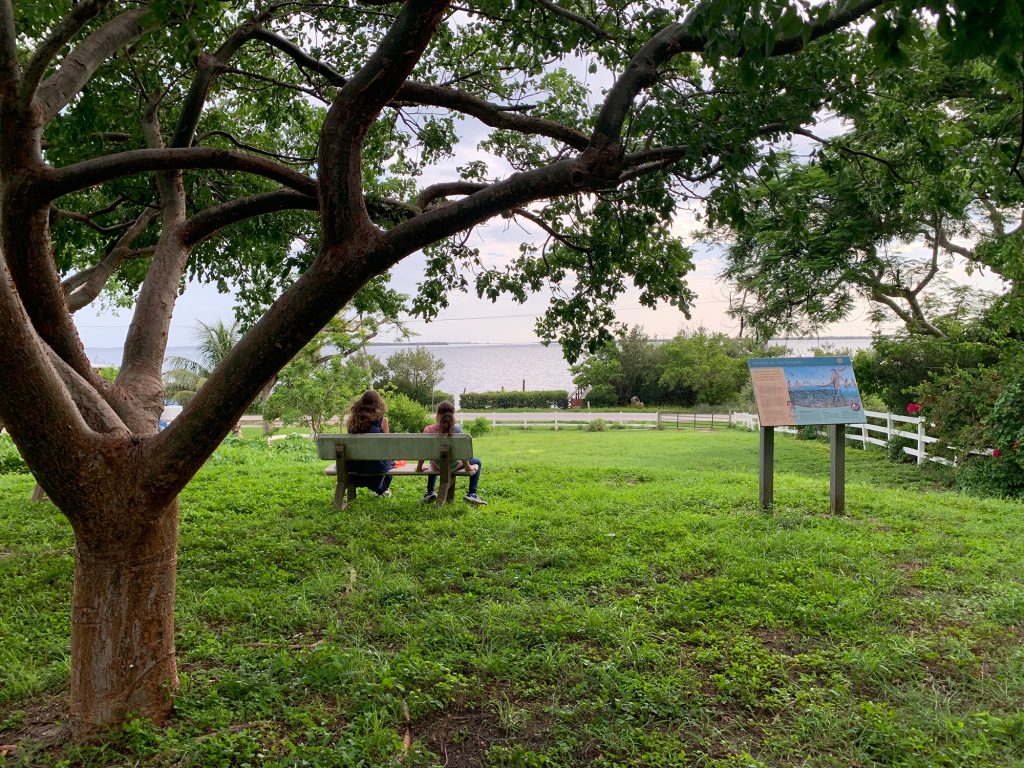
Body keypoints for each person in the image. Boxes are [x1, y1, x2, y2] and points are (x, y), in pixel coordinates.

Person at [416, 401, 486, 505]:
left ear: (437, 414)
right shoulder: (456, 429)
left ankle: (430, 492)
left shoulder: (428, 429)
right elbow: (462, 453)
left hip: (437, 465)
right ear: (453, 415)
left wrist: (419, 468)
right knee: (477, 462)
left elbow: (424, 452)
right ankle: (472, 494)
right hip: (454, 465)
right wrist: (467, 467)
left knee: (432, 460)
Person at [344, 390, 394, 497]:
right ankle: (382, 489)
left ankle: (356, 486)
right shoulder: (383, 421)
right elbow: (387, 446)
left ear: (360, 404)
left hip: (354, 465)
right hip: (377, 466)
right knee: (390, 463)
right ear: (379, 404)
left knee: (373, 463)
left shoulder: (351, 421)